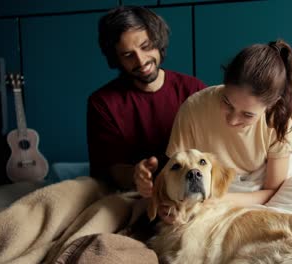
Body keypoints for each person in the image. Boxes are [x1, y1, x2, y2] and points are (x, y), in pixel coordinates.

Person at [136, 39, 292, 221]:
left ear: (271, 106)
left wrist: (220, 200)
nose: (232, 119)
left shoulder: (281, 120)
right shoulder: (194, 108)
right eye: (227, 103)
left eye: (247, 114)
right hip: (214, 186)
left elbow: (273, 191)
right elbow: (178, 180)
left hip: (257, 186)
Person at [87, 6, 206, 190]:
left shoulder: (194, 90)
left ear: (158, 41)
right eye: (128, 55)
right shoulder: (102, 103)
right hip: (134, 195)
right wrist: (136, 175)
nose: (141, 61)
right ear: (116, 59)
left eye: (146, 47)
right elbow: (108, 169)